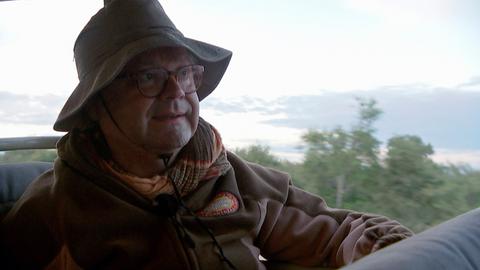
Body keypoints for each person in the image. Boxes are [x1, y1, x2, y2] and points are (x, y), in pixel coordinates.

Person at [0, 0, 413, 269]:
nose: (177, 92)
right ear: (97, 104)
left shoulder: (228, 175)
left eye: (186, 73)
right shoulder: (55, 209)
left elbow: (332, 234)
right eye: (149, 76)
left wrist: (393, 250)